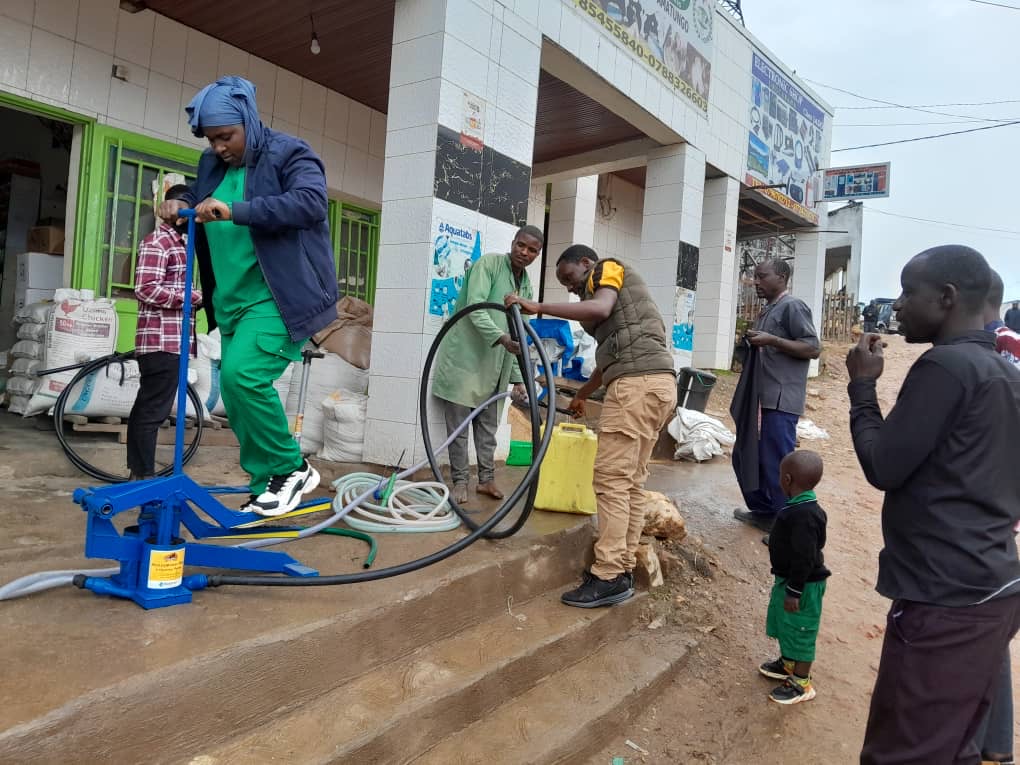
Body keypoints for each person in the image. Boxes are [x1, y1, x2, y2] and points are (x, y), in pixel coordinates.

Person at [846, 245, 1020, 764]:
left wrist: (861, 389)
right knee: (954, 747)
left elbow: (883, 466)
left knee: (903, 753)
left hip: (945, 599)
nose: (896, 306)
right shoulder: (1005, 374)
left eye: (907, 293)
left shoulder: (945, 366)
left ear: (945, 298)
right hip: (990, 585)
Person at [158, 76, 338, 517]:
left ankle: (291, 468)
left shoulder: (289, 153)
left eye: (226, 136)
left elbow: (311, 203)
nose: (219, 146)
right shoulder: (212, 164)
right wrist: (179, 198)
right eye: (211, 138)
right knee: (237, 394)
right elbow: (199, 197)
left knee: (243, 377)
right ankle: (268, 486)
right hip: (233, 300)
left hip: (278, 295)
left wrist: (236, 211)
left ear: (248, 121)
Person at [505, 245, 676, 608]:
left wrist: (538, 307)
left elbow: (599, 307)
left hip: (636, 388)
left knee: (612, 481)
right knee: (629, 484)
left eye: (569, 278)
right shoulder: (619, 314)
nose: (569, 288)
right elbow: (611, 356)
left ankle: (608, 574)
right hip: (656, 386)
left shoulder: (609, 269)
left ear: (587, 263)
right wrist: (582, 394)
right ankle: (622, 567)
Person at [431, 226, 544, 505]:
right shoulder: (489, 265)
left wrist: (518, 378)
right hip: (466, 359)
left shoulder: (526, 285)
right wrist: (501, 337)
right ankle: (459, 481)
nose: (525, 253)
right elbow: (475, 306)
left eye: (532, 250)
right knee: (459, 426)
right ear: (513, 242)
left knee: (488, 426)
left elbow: (521, 333)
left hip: (498, 364)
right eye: (521, 245)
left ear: (537, 255)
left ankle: (486, 479)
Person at [731, 259, 821, 534]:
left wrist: (773, 341)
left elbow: (812, 347)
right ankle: (766, 512)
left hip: (780, 401)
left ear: (781, 277)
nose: (756, 282)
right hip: (761, 400)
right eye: (754, 277)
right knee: (745, 457)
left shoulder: (793, 306)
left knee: (778, 463)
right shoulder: (768, 310)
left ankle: (787, 529)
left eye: (762, 277)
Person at [125, 184, 202, 481]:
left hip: (172, 341)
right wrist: (195, 298)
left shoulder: (180, 244)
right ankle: (144, 477)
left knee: (149, 408)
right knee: (152, 412)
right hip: (161, 341)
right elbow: (145, 289)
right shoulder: (159, 242)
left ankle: (139, 474)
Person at [978, 270, 1017, 765]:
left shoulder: (1001, 349)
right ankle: (995, 745)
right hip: (995, 511)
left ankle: (992, 744)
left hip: (985, 513)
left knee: (978, 628)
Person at [757, 449, 829, 705]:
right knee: (786, 623)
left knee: (801, 631)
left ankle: (801, 682)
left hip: (803, 586)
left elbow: (806, 557)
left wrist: (795, 590)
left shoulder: (804, 515)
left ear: (787, 479)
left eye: (779, 476)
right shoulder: (799, 508)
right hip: (791, 580)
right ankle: (788, 663)